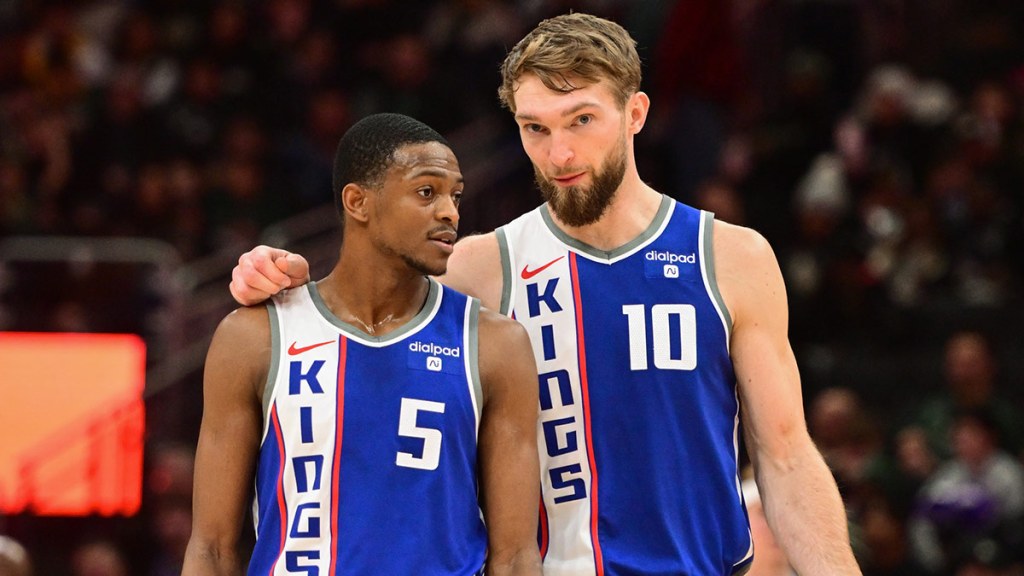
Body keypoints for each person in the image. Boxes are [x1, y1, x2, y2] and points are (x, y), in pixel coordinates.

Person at [230, 14, 862, 575]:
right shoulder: (479, 267)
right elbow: (344, 325)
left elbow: (784, 458)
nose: (558, 152)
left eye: (581, 120)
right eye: (535, 128)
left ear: (635, 114)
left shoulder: (732, 257)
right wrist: (274, 276)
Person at [183, 113, 541, 575]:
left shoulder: (496, 345)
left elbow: (515, 557)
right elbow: (211, 548)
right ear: (358, 202)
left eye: (455, 195)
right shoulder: (253, 337)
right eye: (426, 192)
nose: (451, 212)